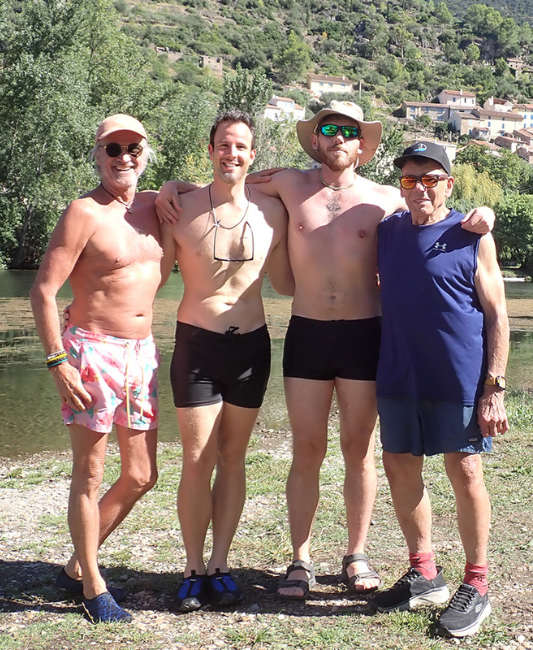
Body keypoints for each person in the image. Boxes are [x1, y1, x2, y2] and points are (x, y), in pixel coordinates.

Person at [156, 101, 493, 600]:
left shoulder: (386, 198)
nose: (339, 137)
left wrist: (483, 215)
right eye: (329, 128)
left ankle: (357, 553)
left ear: (362, 145)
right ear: (315, 139)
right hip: (307, 332)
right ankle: (301, 558)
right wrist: (170, 187)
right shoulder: (287, 184)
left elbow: (436, 213)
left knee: (359, 450)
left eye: (349, 131)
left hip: (365, 333)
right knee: (307, 449)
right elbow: (227, 180)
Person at [370, 141, 509, 639]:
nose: (420, 188)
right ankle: (424, 572)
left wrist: (494, 386)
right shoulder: (387, 231)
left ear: (449, 184)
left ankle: (477, 583)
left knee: (465, 470)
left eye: (431, 179)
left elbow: (497, 315)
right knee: (399, 465)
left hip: (459, 377)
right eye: (410, 179)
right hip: (399, 373)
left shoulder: (472, 235)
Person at [30, 114, 163, 623]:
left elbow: (223, 185)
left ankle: (73, 568)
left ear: (145, 153)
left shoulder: (157, 206)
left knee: (141, 474)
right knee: (89, 473)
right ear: (97, 155)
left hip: (141, 354)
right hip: (91, 351)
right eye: (113, 149)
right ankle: (92, 584)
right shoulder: (83, 212)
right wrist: (57, 361)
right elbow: (44, 291)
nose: (123, 157)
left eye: (133, 148)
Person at [159, 109, 292, 612]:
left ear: (252, 154)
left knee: (233, 457)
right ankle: (193, 567)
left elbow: (290, 280)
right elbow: (143, 270)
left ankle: (219, 563)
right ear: (210, 149)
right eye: (223, 144)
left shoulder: (273, 213)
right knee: (198, 458)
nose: (231, 153)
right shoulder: (179, 207)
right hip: (197, 344)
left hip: (251, 347)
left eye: (240, 146)